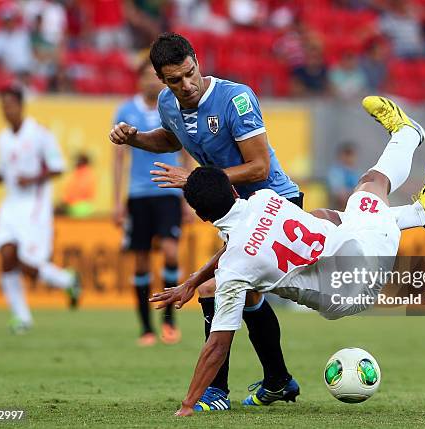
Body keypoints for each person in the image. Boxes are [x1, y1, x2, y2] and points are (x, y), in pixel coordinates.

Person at [150, 96, 425, 416]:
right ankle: (415, 193)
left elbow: (217, 345)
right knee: (363, 190)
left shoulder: (235, 269)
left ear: (202, 216)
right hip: (360, 260)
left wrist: (187, 404)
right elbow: (241, 246)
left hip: (353, 285)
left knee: (362, 194)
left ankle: (411, 147)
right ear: (233, 191)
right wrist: (196, 280)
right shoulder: (267, 199)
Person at [109, 32, 301, 410]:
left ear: (197, 61)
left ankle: (215, 392)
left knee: (216, 288)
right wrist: (135, 139)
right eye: (175, 80)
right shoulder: (169, 102)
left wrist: (197, 181)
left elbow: (259, 166)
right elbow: (171, 139)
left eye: (190, 73)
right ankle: (278, 380)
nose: (187, 85)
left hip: (273, 203)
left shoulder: (236, 98)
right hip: (235, 212)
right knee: (246, 295)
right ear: (161, 80)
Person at [0, 86, 81, 334]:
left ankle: (67, 280)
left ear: (21, 106)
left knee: (29, 262)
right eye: (3, 106)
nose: (6, 110)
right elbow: (6, 173)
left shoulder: (39, 134)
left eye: (10, 105)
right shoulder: (2, 138)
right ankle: (21, 317)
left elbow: (58, 167)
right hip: (10, 205)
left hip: (34, 206)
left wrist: (33, 179)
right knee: (6, 255)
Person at [113, 60, 186, 346]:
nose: (149, 82)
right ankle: (145, 328)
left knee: (170, 252)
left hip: (169, 190)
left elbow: (185, 150)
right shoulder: (125, 110)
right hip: (138, 194)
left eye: (152, 77)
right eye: (144, 77)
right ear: (138, 81)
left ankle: (168, 320)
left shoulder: (170, 107)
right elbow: (118, 158)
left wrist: (188, 194)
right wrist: (118, 201)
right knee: (141, 261)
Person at [327, 142, 361, 210]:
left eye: (352, 155)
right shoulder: (336, 172)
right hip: (338, 208)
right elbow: (339, 193)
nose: (350, 158)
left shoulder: (356, 173)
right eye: (347, 154)